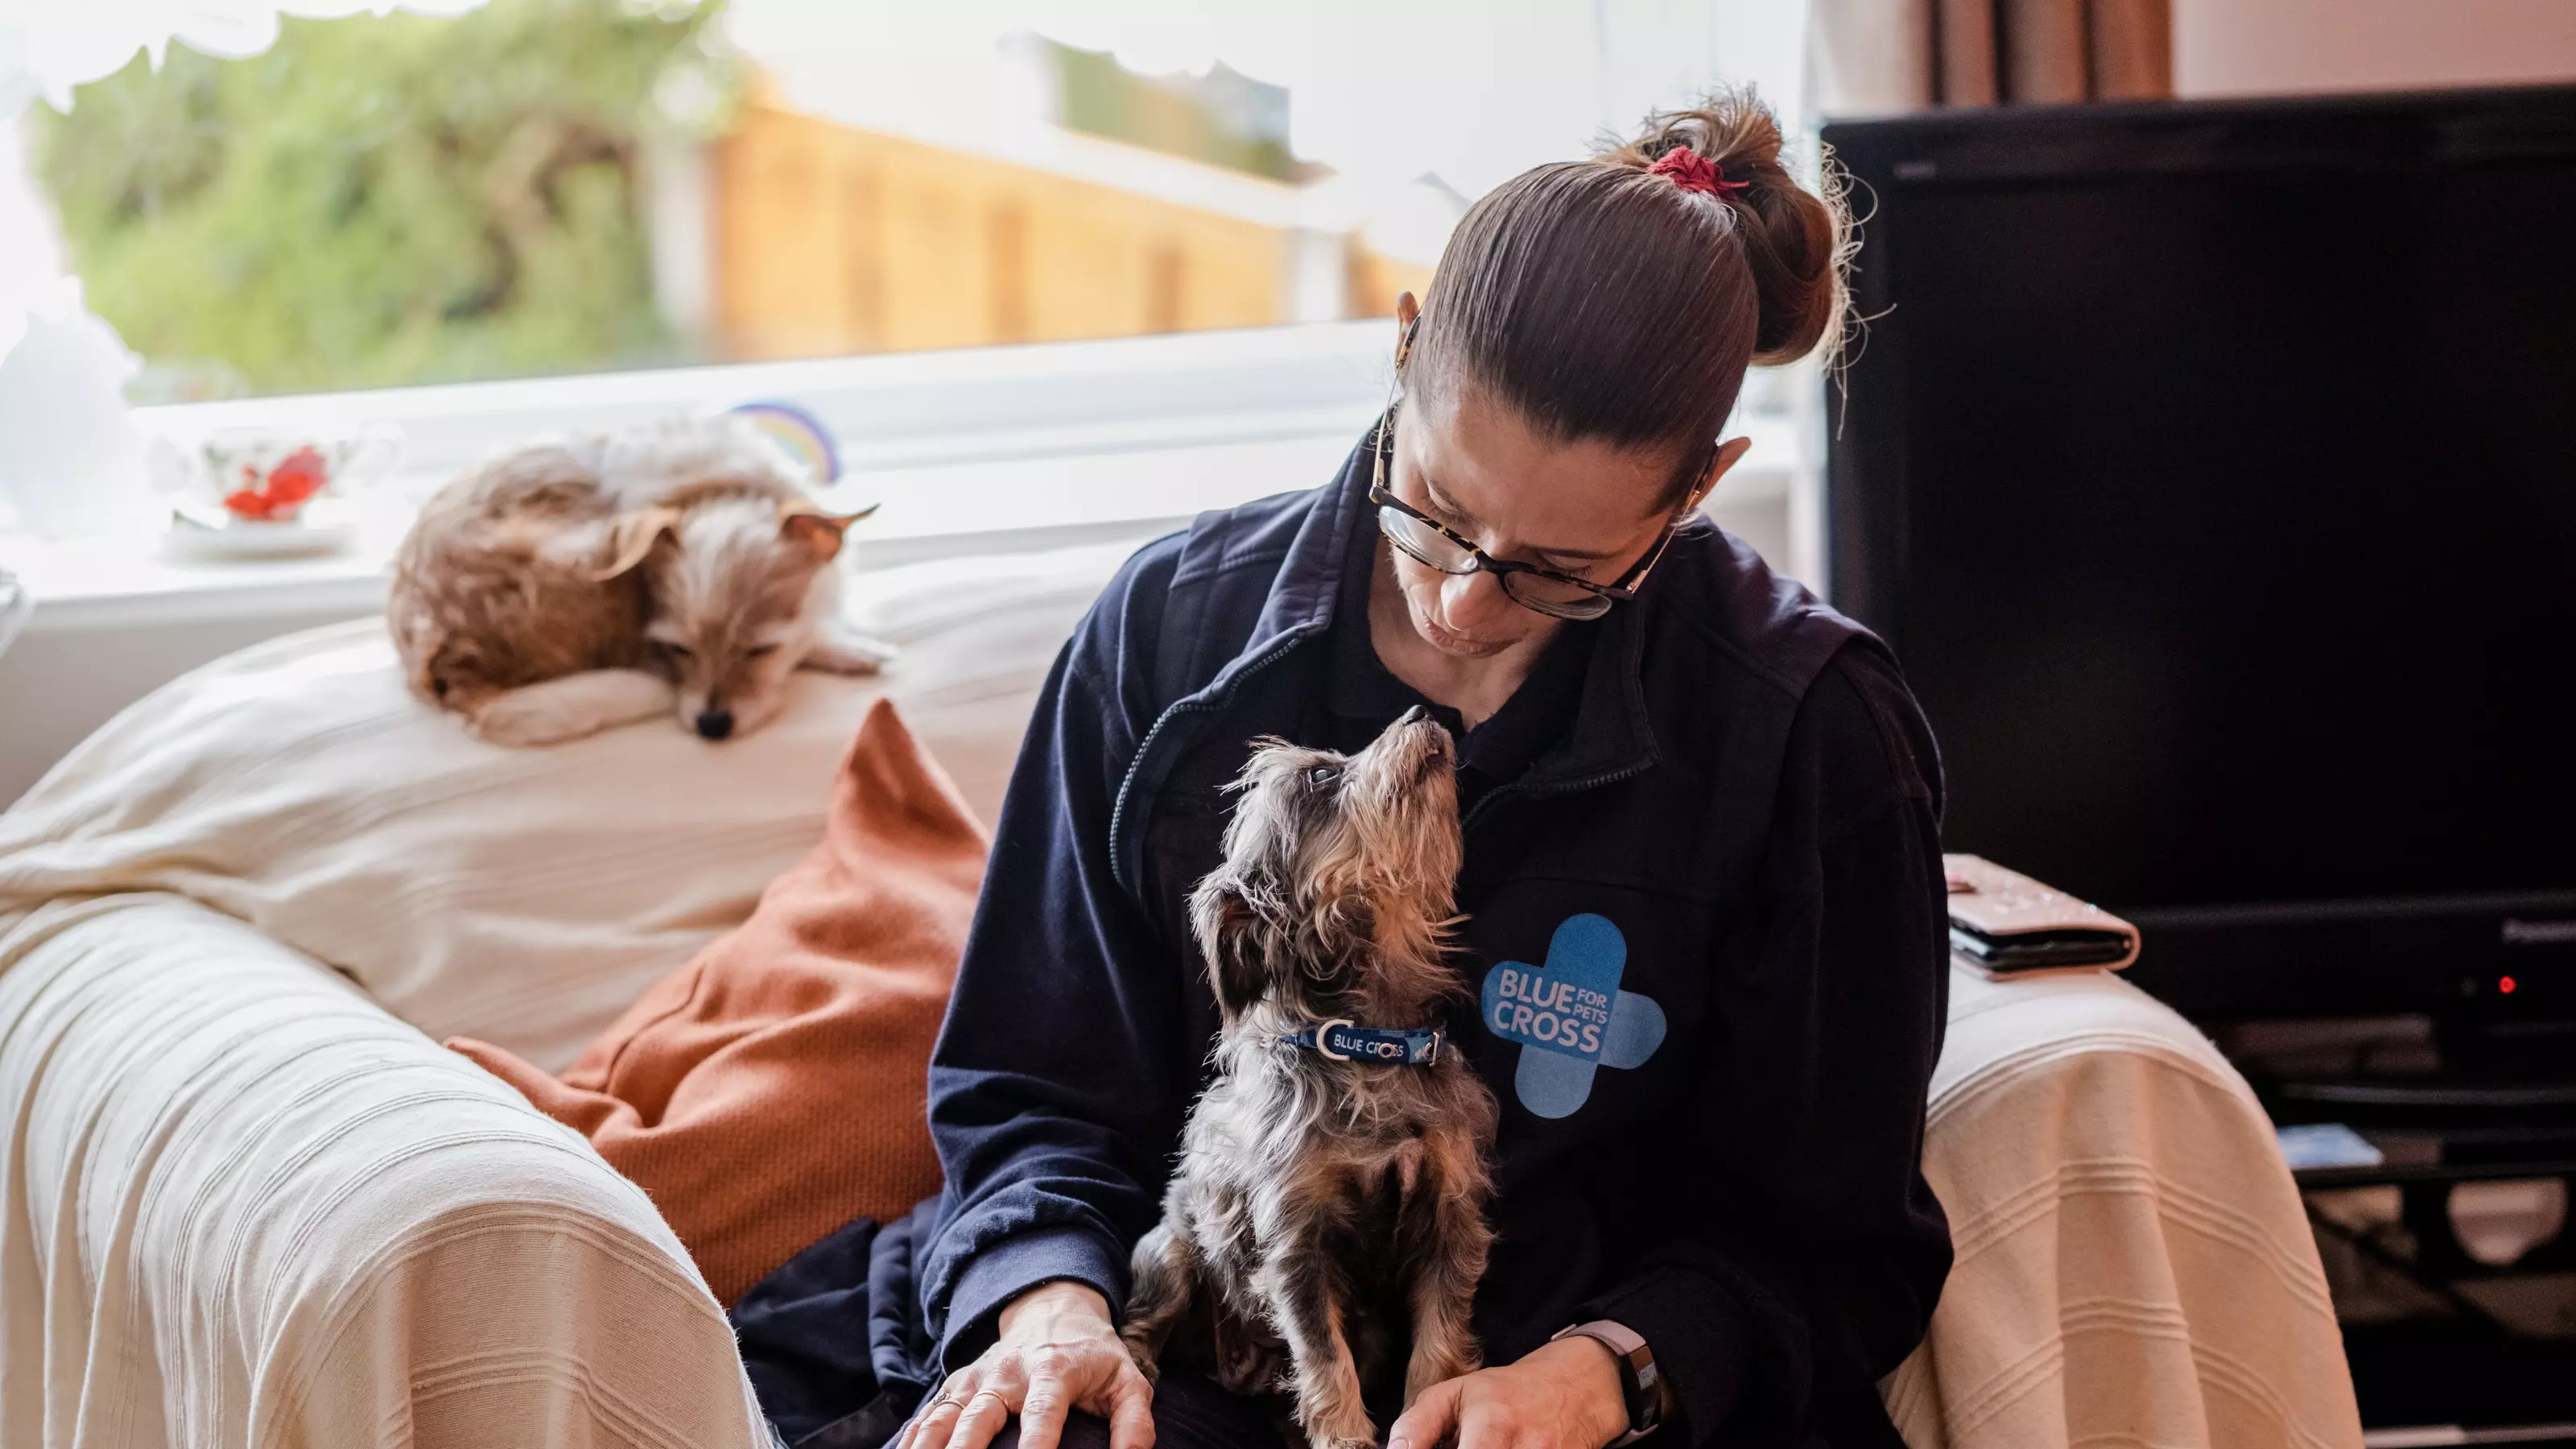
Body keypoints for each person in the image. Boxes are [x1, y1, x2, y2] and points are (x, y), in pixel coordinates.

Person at [902, 89, 1951, 1449]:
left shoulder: (1808, 727)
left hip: (1593, 1392)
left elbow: (1836, 1238)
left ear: (1700, 486)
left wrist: (1605, 1374)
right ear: (1402, 349)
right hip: (1221, 1365)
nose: (1461, 604)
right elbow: (1031, 1088)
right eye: (1437, 512)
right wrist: (1055, 1316)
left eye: (1559, 573)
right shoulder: (1168, 632)